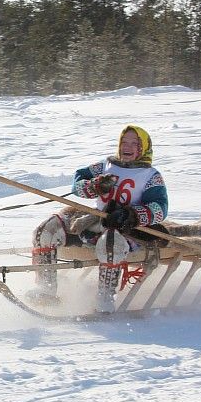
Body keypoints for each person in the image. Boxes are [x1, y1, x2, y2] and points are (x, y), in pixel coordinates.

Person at [29, 125, 168, 313]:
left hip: (126, 229)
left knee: (111, 243)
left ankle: (105, 302)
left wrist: (131, 215)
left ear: (143, 148)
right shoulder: (106, 165)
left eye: (134, 143)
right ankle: (45, 290)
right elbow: (78, 182)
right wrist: (94, 186)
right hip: (93, 220)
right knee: (45, 230)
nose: (128, 146)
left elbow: (160, 208)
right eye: (124, 141)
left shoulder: (151, 176)